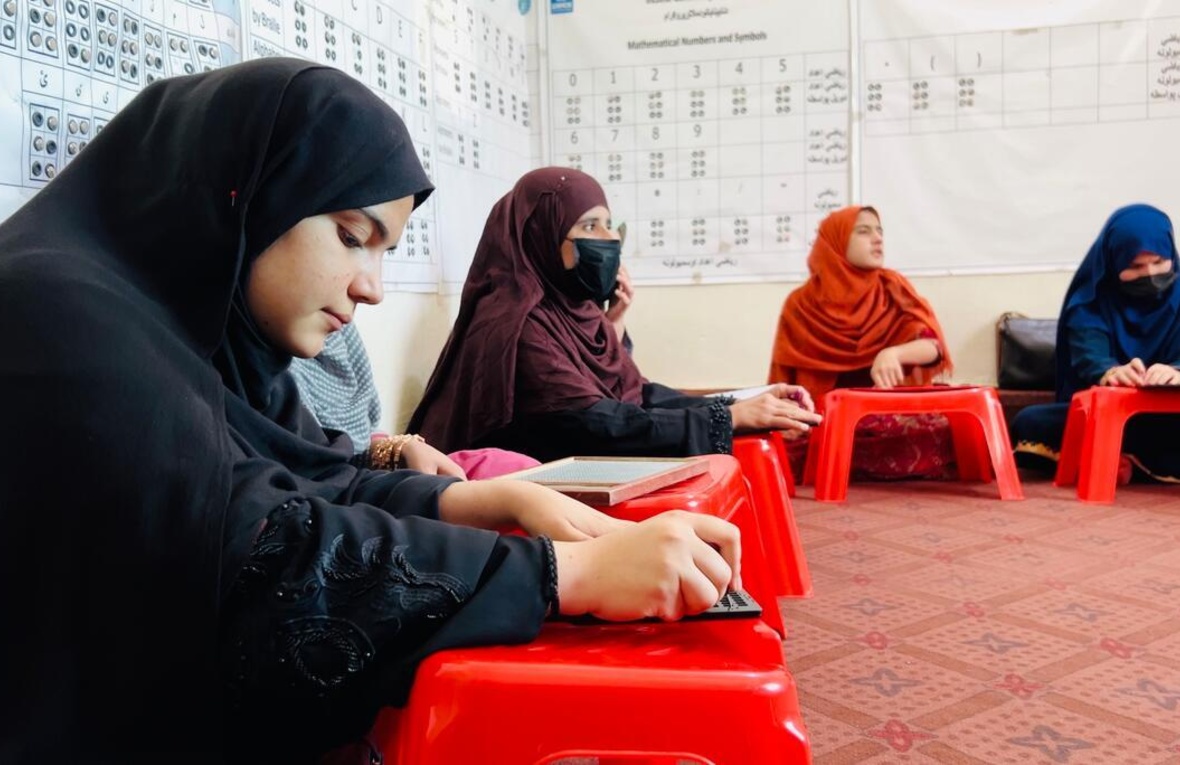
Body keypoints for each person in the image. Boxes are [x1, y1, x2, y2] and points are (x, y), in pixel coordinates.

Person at [0, 60, 744, 763]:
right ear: (253, 193)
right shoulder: (56, 317)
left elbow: (316, 472)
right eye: (353, 238)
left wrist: (477, 500)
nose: (372, 287)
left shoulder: (207, 334)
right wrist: (558, 573)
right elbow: (256, 556)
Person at [408, 167, 821, 462]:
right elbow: (594, 423)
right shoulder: (515, 322)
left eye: (610, 226)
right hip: (514, 496)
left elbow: (637, 396)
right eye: (589, 227)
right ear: (543, 237)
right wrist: (726, 419)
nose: (609, 241)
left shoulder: (576, 312)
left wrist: (741, 400)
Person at [768, 205, 955, 481]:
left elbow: (932, 347)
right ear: (836, 242)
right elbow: (787, 385)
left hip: (887, 413)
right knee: (788, 441)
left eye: (880, 231)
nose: (877, 238)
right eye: (864, 231)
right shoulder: (801, 304)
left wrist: (895, 353)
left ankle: (841, 462)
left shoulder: (891, 287)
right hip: (825, 419)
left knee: (940, 426)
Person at [1011, 203, 1180, 481]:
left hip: (1169, 414)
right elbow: (1089, 354)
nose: (1150, 274)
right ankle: (1141, 463)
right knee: (1030, 422)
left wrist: (1175, 371)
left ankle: (1114, 459)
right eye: (1136, 266)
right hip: (1106, 413)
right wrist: (1111, 371)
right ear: (1114, 261)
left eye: (1160, 261)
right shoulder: (1090, 302)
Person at [289, 322, 540, 478]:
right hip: (350, 497)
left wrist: (396, 448)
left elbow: (360, 434)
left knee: (508, 467)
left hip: (372, 477)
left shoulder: (340, 332)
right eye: (349, 239)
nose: (373, 291)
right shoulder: (515, 321)